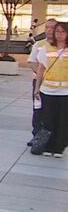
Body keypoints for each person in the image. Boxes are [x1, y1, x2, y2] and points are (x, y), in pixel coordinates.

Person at [35, 22, 68, 158]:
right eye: (57, 31)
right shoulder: (46, 48)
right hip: (48, 90)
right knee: (48, 119)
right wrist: (37, 87)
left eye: (63, 32)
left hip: (65, 91)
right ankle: (47, 145)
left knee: (63, 120)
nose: (60, 34)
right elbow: (41, 69)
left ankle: (59, 147)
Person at [28, 19, 57, 135]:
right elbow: (32, 62)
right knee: (38, 108)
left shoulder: (62, 46)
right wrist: (42, 76)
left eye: (52, 27)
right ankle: (36, 135)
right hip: (39, 82)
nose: (49, 30)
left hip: (56, 84)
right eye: (47, 27)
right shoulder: (39, 44)